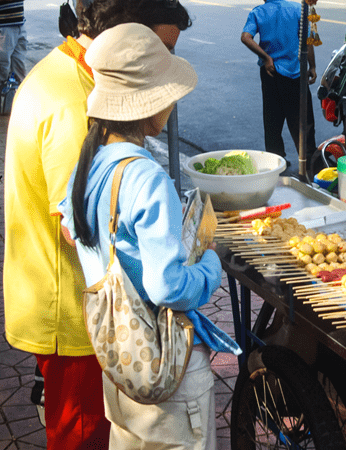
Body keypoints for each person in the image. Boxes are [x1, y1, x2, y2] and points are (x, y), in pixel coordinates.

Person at [4, 0, 192, 450]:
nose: (166, 64)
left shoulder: (78, 75)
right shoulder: (73, 101)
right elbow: (86, 225)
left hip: (84, 311)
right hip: (74, 318)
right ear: (127, 43)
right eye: (163, 51)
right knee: (82, 439)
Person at [59, 22, 240, 449]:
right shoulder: (146, 177)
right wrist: (211, 261)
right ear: (146, 104)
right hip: (168, 374)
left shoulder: (89, 162)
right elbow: (169, 287)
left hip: (121, 361)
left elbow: (73, 232)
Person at [241, 0, 317, 169]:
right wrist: (313, 66)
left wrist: (266, 57)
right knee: (303, 118)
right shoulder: (297, 10)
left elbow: (245, 37)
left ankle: (277, 162)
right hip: (296, 73)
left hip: (271, 73)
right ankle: (308, 161)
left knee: (272, 119)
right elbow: (307, 41)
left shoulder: (258, 12)